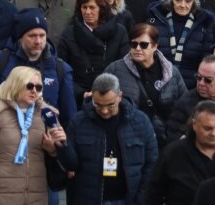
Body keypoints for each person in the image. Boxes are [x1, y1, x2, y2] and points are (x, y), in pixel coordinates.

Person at [0, 9, 76, 152]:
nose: (38, 41)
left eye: (42, 35)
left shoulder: (60, 69)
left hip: (44, 150)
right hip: (3, 148)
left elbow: (69, 116)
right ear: (20, 37)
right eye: (32, 36)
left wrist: (69, 156)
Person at [0, 65, 68, 205]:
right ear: (16, 84)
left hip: (37, 197)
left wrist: (54, 149)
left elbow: (64, 157)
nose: (34, 91)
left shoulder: (46, 114)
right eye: (30, 86)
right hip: (0, 196)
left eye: (38, 87)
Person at [60, 72, 159, 205]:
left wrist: (141, 198)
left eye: (110, 105)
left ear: (120, 96)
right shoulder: (78, 122)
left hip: (128, 199)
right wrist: (61, 146)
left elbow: (151, 163)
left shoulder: (140, 121)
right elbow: (71, 165)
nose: (104, 110)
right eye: (98, 105)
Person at [105, 22, 187, 145]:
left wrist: (175, 133)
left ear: (155, 46)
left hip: (165, 139)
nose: (137, 49)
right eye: (133, 44)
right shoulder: (115, 69)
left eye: (143, 45)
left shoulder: (171, 72)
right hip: (128, 139)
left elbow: (185, 104)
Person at [144, 100, 215, 205]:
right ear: (194, 125)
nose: (214, 133)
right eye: (208, 128)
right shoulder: (172, 154)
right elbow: (153, 195)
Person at [57, 0, 130, 108]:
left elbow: (124, 67)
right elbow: (62, 69)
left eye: (92, 7)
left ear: (102, 8)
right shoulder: (69, 34)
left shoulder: (119, 32)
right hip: (79, 99)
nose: (87, 12)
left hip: (111, 97)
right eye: (84, 7)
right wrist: (81, 92)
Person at [145, 0, 215, 88]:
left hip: (191, 86)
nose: (183, 5)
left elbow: (205, 57)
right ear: (171, 0)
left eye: (188, 1)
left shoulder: (203, 24)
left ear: (194, 2)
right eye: (178, 0)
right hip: (158, 82)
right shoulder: (155, 21)